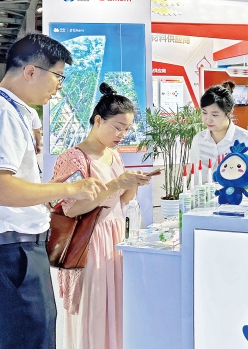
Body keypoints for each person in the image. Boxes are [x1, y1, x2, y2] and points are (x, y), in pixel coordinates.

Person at [0, 33, 107, 349]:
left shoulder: (5, 111)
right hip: (9, 255)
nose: (59, 86)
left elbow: (2, 186)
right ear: (31, 71)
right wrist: (70, 187)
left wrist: (48, 192)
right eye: (58, 76)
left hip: (13, 252)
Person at [52, 82, 151, 349]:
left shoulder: (113, 156)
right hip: (90, 242)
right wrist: (117, 184)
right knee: (94, 311)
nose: (122, 134)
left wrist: (131, 183)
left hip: (115, 238)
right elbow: (70, 208)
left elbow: (120, 203)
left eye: (127, 129)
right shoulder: (73, 158)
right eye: (118, 127)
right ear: (98, 120)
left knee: (116, 308)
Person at [191, 85, 248, 177]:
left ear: (229, 112)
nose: (208, 119)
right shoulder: (198, 139)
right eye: (204, 113)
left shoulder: (246, 140)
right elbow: (194, 176)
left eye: (215, 115)